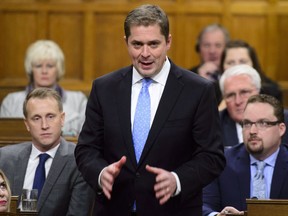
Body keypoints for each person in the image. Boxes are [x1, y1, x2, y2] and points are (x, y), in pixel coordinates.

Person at [75, 4, 225, 216]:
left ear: (168, 42)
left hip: (173, 210)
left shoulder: (198, 91)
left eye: (153, 44)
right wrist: (100, 173)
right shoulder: (104, 88)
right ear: (126, 43)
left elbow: (212, 157)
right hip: (114, 209)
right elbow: (86, 149)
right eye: (137, 44)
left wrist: (177, 179)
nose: (145, 53)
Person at [0, 88, 94, 216]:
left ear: (62, 119)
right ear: (27, 124)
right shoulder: (5, 159)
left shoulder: (79, 161)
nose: (44, 125)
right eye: (36, 118)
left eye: (50, 116)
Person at [203, 94, 288, 216]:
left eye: (262, 123)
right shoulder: (221, 161)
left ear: (281, 129)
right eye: (247, 123)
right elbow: (203, 205)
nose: (252, 131)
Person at [0, 40, 87, 136]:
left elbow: (86, 138)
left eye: (50, 66)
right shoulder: (11, 102)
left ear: (58, 69)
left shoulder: (79, 101)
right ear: (30, 69)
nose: (44, 71)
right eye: (38, 66)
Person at [219, 64, 288, 147]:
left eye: (244, 92)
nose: (238, 101)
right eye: (230, 95)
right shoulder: (213, 125)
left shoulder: (284, 120)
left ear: (258, 92)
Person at [190, 24, 229, 104]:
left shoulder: (234, 75)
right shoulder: (188, 77)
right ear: (198, 49)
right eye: (207, 45)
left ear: (226, 49)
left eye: (218, 45)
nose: (212, 51)